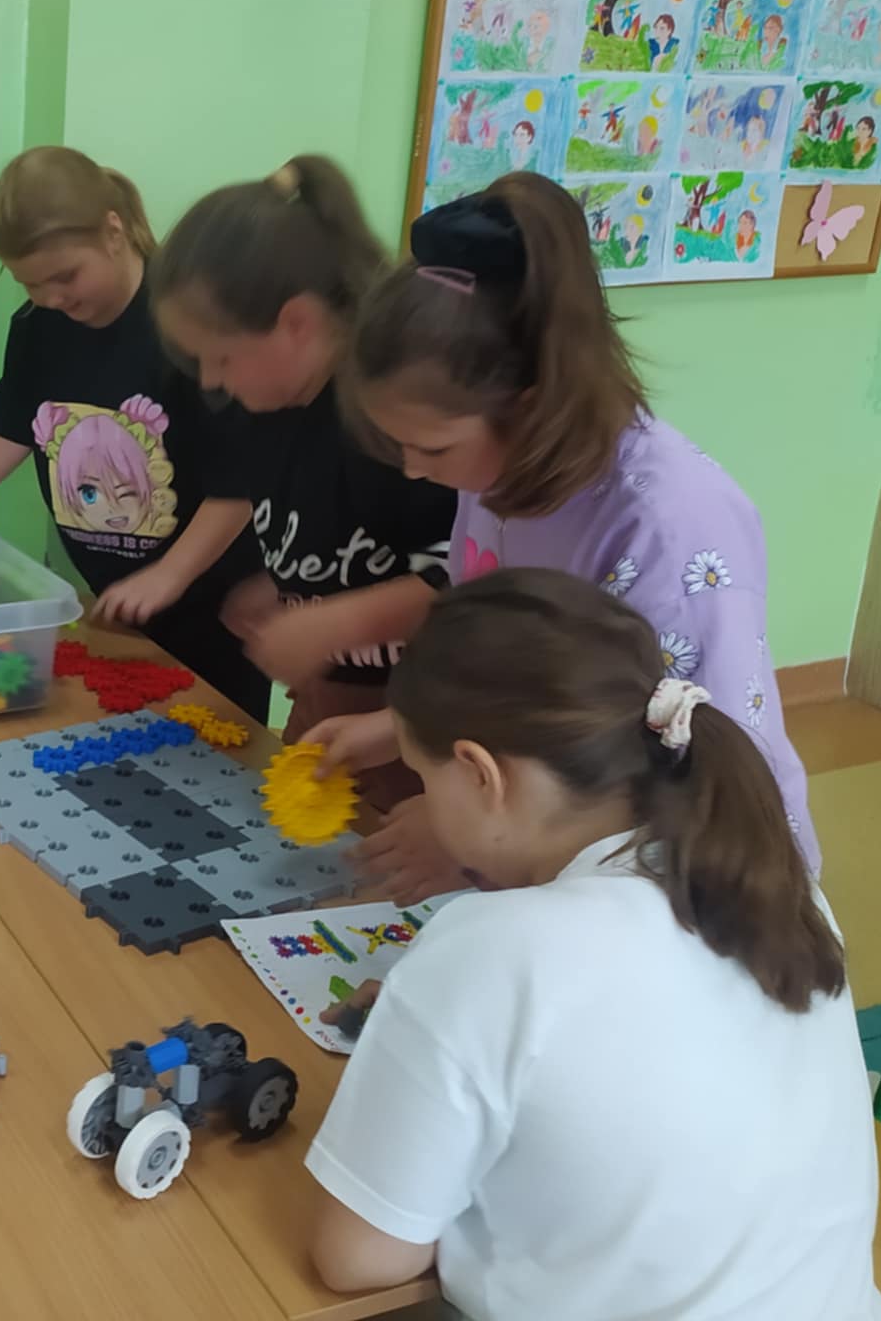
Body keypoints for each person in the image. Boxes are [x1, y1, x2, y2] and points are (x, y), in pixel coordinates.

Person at [305, 568, 881, 1321]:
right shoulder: (779, 885)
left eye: (422, 776)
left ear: (480, 774)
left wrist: (434, 1032)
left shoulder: (489, 951)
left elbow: (356, 1260)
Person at [309, 172, 816, 894]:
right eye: (401, 447)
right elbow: (517, 673)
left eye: (432, 448)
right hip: (536, 847)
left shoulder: (669, 530)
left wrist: (465, 837)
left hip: (690, 887)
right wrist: (396, 729)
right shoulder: (494, 471)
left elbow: (694, 774)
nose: (416, 471)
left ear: (531, 404)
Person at [0, 146, 270, 720]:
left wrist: (168, 577)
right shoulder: (39, 328)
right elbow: (8, 430)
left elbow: (239, 483)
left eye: (66, 277)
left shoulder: (187, 326)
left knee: (220, 746)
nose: (52, 298)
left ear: (113, 232)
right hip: (116, 605)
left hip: (216, 606)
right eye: (31, 284)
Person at [148, 158, 456, 806]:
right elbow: (340, 535)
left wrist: (334, 621)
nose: (211, 380)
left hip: (422, 731)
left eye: (221, 357)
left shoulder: (396, 421)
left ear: (297, 323)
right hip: (326, 710)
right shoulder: (267, 410)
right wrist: (285, 589)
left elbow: (469, 583)